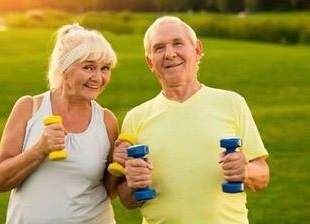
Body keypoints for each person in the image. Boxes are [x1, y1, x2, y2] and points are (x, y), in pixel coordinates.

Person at [114, 16, 270, 224]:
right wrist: (133, 183)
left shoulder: (232, 103)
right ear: (150, 62)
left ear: (196, 50)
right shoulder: (136, 118)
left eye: (177, 43)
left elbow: (263, 176)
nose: (169, 54)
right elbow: (126, 199)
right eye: (159, 48)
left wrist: (246, 170)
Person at [0, 24, 119, 224]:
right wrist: (39, 150)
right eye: (88, 67)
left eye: (105, 69)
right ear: (64, 69)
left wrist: (121, 165)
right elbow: (0, 180)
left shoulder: (107, 121)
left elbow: (109, 191)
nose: (98, 78)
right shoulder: (29, 108)